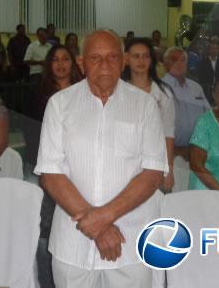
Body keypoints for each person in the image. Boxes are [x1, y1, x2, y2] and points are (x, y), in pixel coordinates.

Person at [35, 30, 167, 288]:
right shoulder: (59, 104)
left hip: (130, 242)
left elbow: (153, 173)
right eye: (95, 58)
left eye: (112, 57)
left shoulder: (145, 105)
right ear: (82, 63)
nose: (104, 65)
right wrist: (101, 227)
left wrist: (102, 218)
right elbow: (51, 173)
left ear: (123, 61)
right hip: (72, 243)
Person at [27, 45, 82, 288]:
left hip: (81, 169)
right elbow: (30, 132)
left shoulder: (86, 92)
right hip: (48, 168)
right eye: (55, 60)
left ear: (74, 63)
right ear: (49, 64)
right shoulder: (38, 93)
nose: (60, 64)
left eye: (66, 59)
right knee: (46, 229)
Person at [122, 38, 175, 192]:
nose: (141, 61)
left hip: (155, 162)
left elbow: (168, 133)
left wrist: (169, 170)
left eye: (145, 56)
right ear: (126, 59)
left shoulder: (163, 93)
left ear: (152, 60)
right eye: (136, 56)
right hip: (124, 162)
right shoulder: (117, 91)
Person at [162, 47, 210, 162]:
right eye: (174, 59)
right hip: (169, 154)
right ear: (165, 64)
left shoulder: (196, 87)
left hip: (197, 152)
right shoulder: (158, 89)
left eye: (182, 60)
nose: (179, 63)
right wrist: (174, 149)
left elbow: (208, 118)